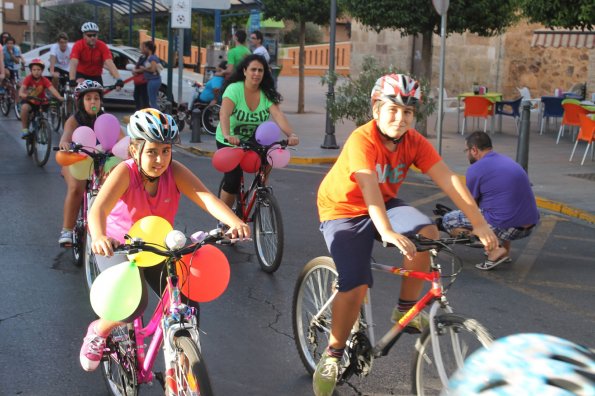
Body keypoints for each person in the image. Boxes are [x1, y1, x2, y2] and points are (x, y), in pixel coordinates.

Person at [312, 73, 499, 396]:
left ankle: (405, 309)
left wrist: (478, 222)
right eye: (393, 110)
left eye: (408, 112)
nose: (400, 118)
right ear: (376, 110)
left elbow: (448, 179)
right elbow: (367, 184)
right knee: (355, 283)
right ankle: (333, 353)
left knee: (426, 232)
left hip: (383, 202)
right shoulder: (362, 139)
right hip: (343, 209)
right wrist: (384, 229)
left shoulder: (413, 142)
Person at [79, 108, 250, 371]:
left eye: (166, 151)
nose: (160, 159)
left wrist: (234, 220)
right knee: (134, 304)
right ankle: (99, 330)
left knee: (186, 298)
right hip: (119, 245)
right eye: (152, 151)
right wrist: (100, 236)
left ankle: (184, 362)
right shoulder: (125, 173)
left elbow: (205, 197)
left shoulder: (175, 171)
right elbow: (98, 209)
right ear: (135, 151)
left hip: (158, 243)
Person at [441, 131, 539, 270]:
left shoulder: (475, 169)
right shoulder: (507, 161)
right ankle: (504, 253)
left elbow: (471, 204)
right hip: (529, 224)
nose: (467, 154)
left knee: (448, 220)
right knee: (499, 209)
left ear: (474, 150)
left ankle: (495, 249)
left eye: (467, 150)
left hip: (508, 226)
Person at [216, 54, 299, 210]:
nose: (257, 73)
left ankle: (262, 189)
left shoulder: (265, 93)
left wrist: (291, 135)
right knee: (233, 180)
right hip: (230, 138)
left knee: (269, 151)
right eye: (253, 69)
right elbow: (224, 114)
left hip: (254, 138)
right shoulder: (234, 89)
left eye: (260, 70)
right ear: (245, 71)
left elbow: (278, 115)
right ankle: (223, 220)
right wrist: (228, 135)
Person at [57, 80, 116, 246]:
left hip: (100, 161)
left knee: (113, 187)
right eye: (88, 98)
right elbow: (66, 136)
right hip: (76, 161)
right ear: (81, 102)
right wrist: (65, 144)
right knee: (77, 187)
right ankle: (67, 230)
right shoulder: (74, 120)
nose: (93, 102)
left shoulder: (106, 119)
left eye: (96, 98)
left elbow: (120, 138)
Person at [69, 22, 123, 90]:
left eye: (94, 35)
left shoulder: (102, 46)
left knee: (99, 97)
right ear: (84, 36)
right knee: (82, 88)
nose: (92, 37)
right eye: (89, 35)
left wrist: (118, 79)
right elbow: (74, 62)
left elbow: (109, 63)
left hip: (96, 76)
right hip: (81, 74)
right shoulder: (78, 45)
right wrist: (72, 79)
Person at [19, 59, 63, 139]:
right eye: (34, 70)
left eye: (38, 70)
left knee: (43, 115)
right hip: (30, 101)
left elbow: (52, 89)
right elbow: (21, 91)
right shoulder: (28, 79)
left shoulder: (44, 80)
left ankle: (42, 125)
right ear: (31, 71)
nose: (36, 72)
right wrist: (23, 95)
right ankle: (25, 130)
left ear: (42, 70)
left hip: (41, 102)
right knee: (24, 108)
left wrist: (59, 97)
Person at [139, 40, 162, 109]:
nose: (143, 49)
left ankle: (156, 116)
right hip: (152, 80)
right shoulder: (150, 57)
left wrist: (144, 69)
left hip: (153, 80)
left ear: (148, 48)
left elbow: (153, 69)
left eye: (145, 47)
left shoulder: (152, 58)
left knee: (152, 101)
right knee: (152, 100)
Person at [131, 45, 149, 110]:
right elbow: (138, 65)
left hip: (144, 81)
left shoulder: (148, 58)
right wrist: (134, 70)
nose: (140, 48)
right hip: (138, 81)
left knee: (144, 97)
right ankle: (138, 110)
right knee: (136, 96)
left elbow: (146, 68)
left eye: (142, 47)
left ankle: (145, 111)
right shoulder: (141, 57)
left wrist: (136, 70)